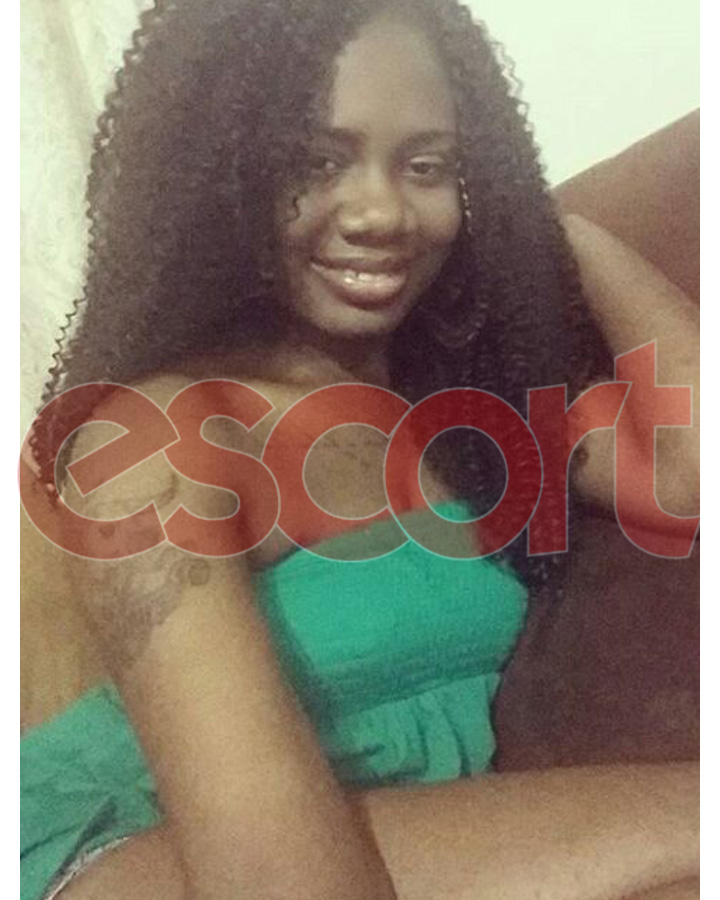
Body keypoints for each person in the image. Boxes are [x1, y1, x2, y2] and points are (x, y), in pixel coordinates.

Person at [20, 0, 699, 898]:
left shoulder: (479, 407)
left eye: (428, 166)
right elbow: (281, 883)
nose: (381, 211)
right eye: (317, 161)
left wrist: (551, 228)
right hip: (128, 851)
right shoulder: (167, 437)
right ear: (217, 177)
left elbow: (694, 478)